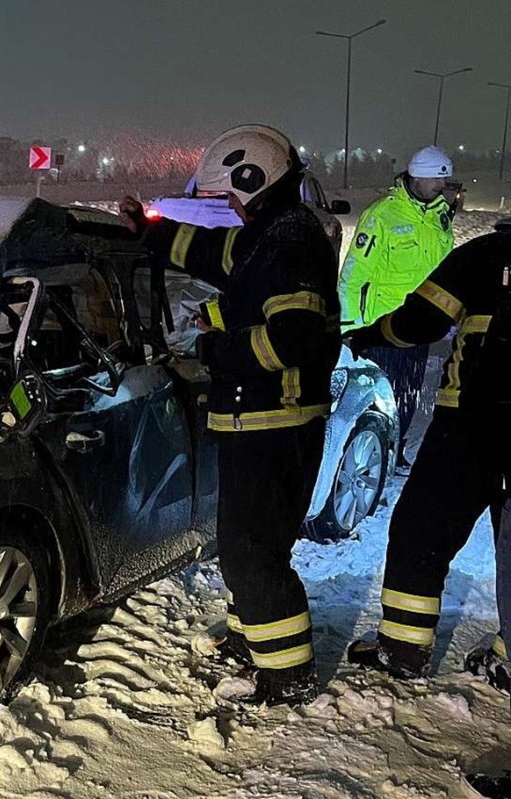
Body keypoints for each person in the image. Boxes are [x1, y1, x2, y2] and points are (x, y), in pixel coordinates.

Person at [121, 124, 341, 705]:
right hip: (273, 420)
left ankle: (287, 675)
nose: (230, 208)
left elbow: (292, 338)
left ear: (255, 178)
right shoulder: (274, 233)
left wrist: (218, 348)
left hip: (274, 421)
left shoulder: (288, 243)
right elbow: (214, 256)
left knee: (249, 548)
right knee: (258, 543)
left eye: (232, 196)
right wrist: (149, 233)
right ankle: (256, 642)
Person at [346, 217, 511, 678]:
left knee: (422, 530)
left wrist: (370, 335)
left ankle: (402, 649)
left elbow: (420, 321)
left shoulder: (486, 253)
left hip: (471, 420)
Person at [338, 146, 457, 471]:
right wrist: (349, 325)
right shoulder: (382, 215)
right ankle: (366, 457)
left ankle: (395, 449)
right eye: (437, 180)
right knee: (378, 397)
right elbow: (352, 274)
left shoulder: (439, 216)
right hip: (381, 326)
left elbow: (443, 270)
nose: (441, 187)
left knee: (409, 393)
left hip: (418, 324)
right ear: (418, 176)